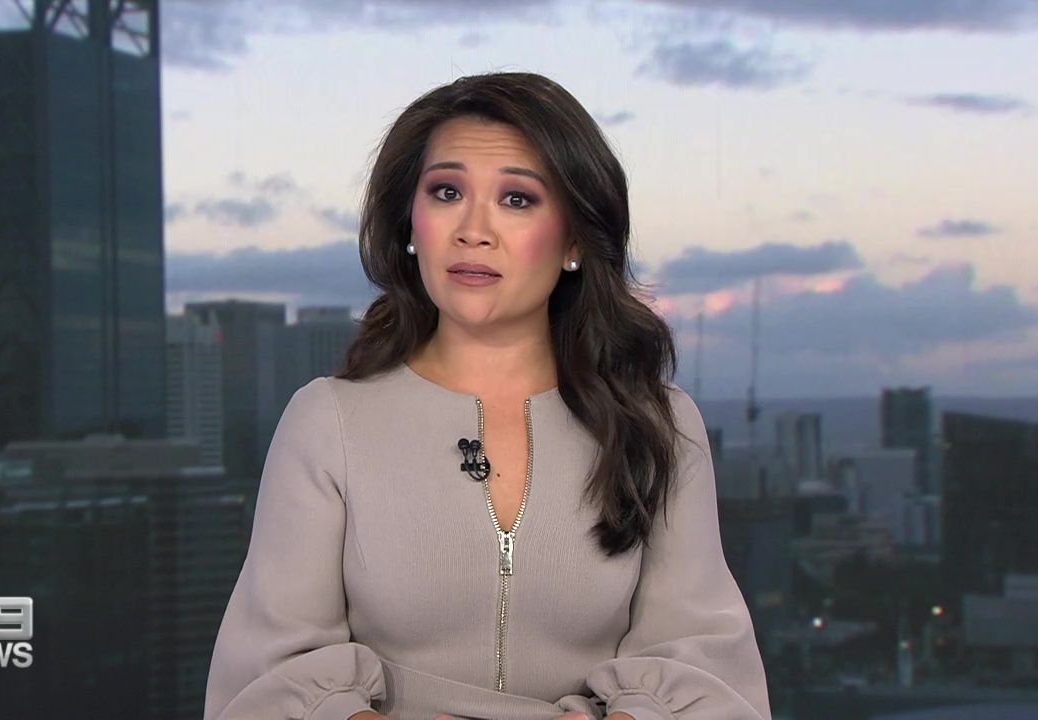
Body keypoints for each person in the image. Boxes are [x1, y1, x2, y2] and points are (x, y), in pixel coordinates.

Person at [203, 71, 770, 720]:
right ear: (411, 223)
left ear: (575, 240)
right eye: (446, 192)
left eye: (517, 199)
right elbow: (270, 675)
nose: (473, 230)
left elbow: (701, 666)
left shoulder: (661, 425)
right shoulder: (326, 422)